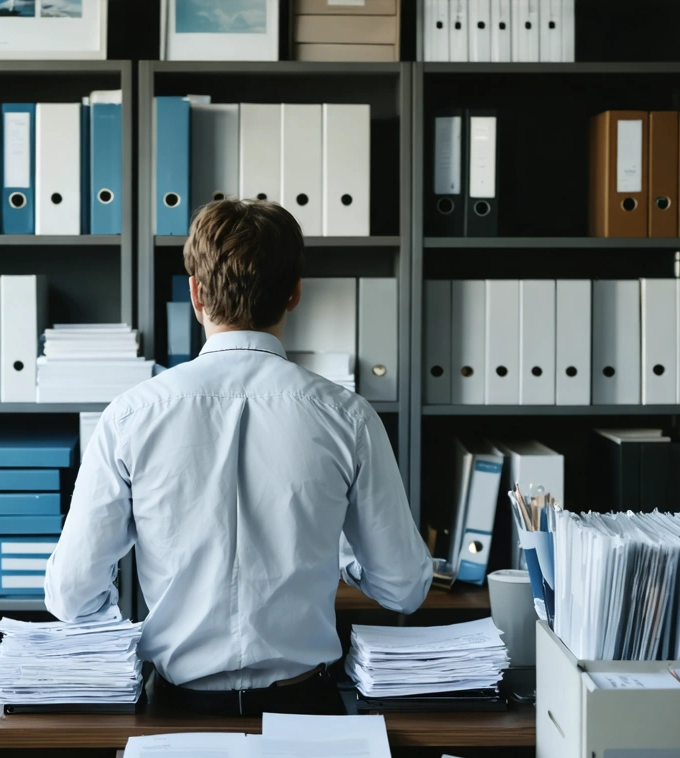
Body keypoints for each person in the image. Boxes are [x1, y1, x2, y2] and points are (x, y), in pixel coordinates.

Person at [44, 199, 432, 716]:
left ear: (196, 294)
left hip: (175, 714)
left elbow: (71, 595)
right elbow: (404, 588)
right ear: (295, 294)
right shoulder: (349, 417)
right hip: (307, 708)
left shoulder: (130, 416)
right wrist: (341, 555)